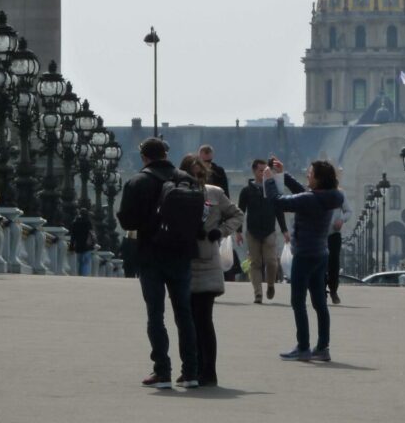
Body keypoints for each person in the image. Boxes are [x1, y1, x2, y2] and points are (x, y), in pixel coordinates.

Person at [117, 137, 199, 389]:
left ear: (144, 157)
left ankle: (162, 371)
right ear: (165, 153)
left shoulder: (138, 181)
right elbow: (201, 217)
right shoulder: (188, 180)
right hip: (182, 254)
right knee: (184, 314)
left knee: (156, 314)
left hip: (151, 255)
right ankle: (191, 372)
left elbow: (127, 222)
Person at [263, 157, 343, 362]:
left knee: (298, 302)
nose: (307, 175)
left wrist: (270, 181)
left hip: (304, 255)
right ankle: (323, 347)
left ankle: (304, 346)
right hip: (321, 253)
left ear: (318, 179)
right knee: (319, 303)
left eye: (310, 173)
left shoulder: (310, 200)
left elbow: (278, 202)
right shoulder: (332, 196)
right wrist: (284, 174)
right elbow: (306, 194)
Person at [179, 153, 244, 386]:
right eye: (192, 174)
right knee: (186, 321)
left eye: (200, 175)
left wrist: (221, 231)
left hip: (207, 262)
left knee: (204, 319)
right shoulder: (175, 192)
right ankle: (191, 367)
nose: (196, 179)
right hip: (183, 260)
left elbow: (237, 214)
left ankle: (209, 371)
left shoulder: (214, 193)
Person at [237, 158, 290, 303]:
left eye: (265, 170)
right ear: (254, 171)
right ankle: (258, 294)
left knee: (272, 262)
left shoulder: (271, 190)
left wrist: (284, 230)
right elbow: (240, 211)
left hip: (269, 230)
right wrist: (238, 231)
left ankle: (271, 284)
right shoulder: (246, 191)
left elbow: (279, 210)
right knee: (255, 263)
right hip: (252, 231)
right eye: (261, 171)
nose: (263, 173)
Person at [326, 187, 352, 304]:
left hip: (333, 234)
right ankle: (321, 290)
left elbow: (348, 211)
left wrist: (341, 220)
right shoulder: (315, 191)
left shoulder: (339, 193)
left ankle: (333, 290)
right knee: (319, 263)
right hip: (318, 234)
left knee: (333, 263)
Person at [69, 207, 95, 277]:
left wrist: (71, 247)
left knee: (80, 261)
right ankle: (84, 275)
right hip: (87, 246)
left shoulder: (75, 222)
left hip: (79, 246)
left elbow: (73, 236)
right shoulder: (88, 222)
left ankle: (80, 274)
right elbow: (92, 234)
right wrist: (93, 244)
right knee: (86, 262)